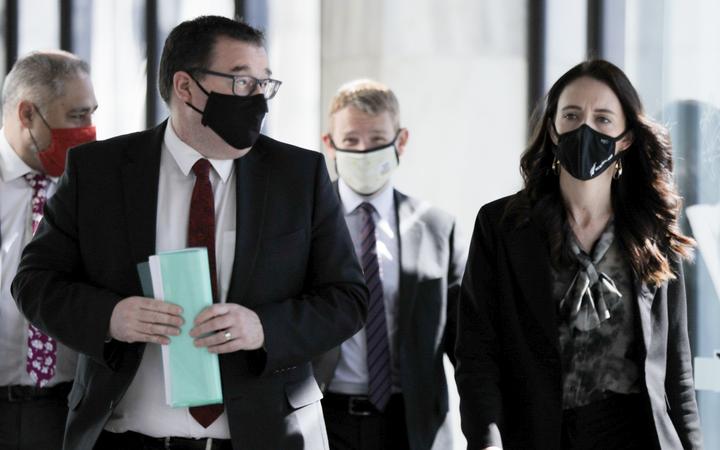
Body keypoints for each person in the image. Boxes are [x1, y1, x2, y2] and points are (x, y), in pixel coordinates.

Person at [12, 16, 367, 450]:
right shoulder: (97, 171)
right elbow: (33, 282)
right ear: (185, 87)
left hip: (266, 436)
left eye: (264, 84)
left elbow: (348, 298)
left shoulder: (300, 175)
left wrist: (264, 329)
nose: (257, 100)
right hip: (124, 438)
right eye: (241, 83)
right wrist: (110, 317)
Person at [455, 59, 703, 450]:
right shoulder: (501, 225)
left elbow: (677, 367)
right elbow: (477, 352)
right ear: (553, 129)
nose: (584, 128)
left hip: (636, 435)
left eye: (603, 118)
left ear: (625, 137)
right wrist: (486, 440)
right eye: (571, 115)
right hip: (540, 433)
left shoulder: (650, 229)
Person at [314, 79, 466, 450]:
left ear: (401, 141)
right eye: (351, 140)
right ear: (329, 145)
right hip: (326, 420)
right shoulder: (305, 224)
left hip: (411, 425)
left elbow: (466, 344)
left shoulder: (436, 228)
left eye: (377, 138)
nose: (364, 150)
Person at [0, 50, 97, 450]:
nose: (90, 129)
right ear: (27, 115)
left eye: (92, 113)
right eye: (77, 116)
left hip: (67, 407)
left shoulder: (96, 186)